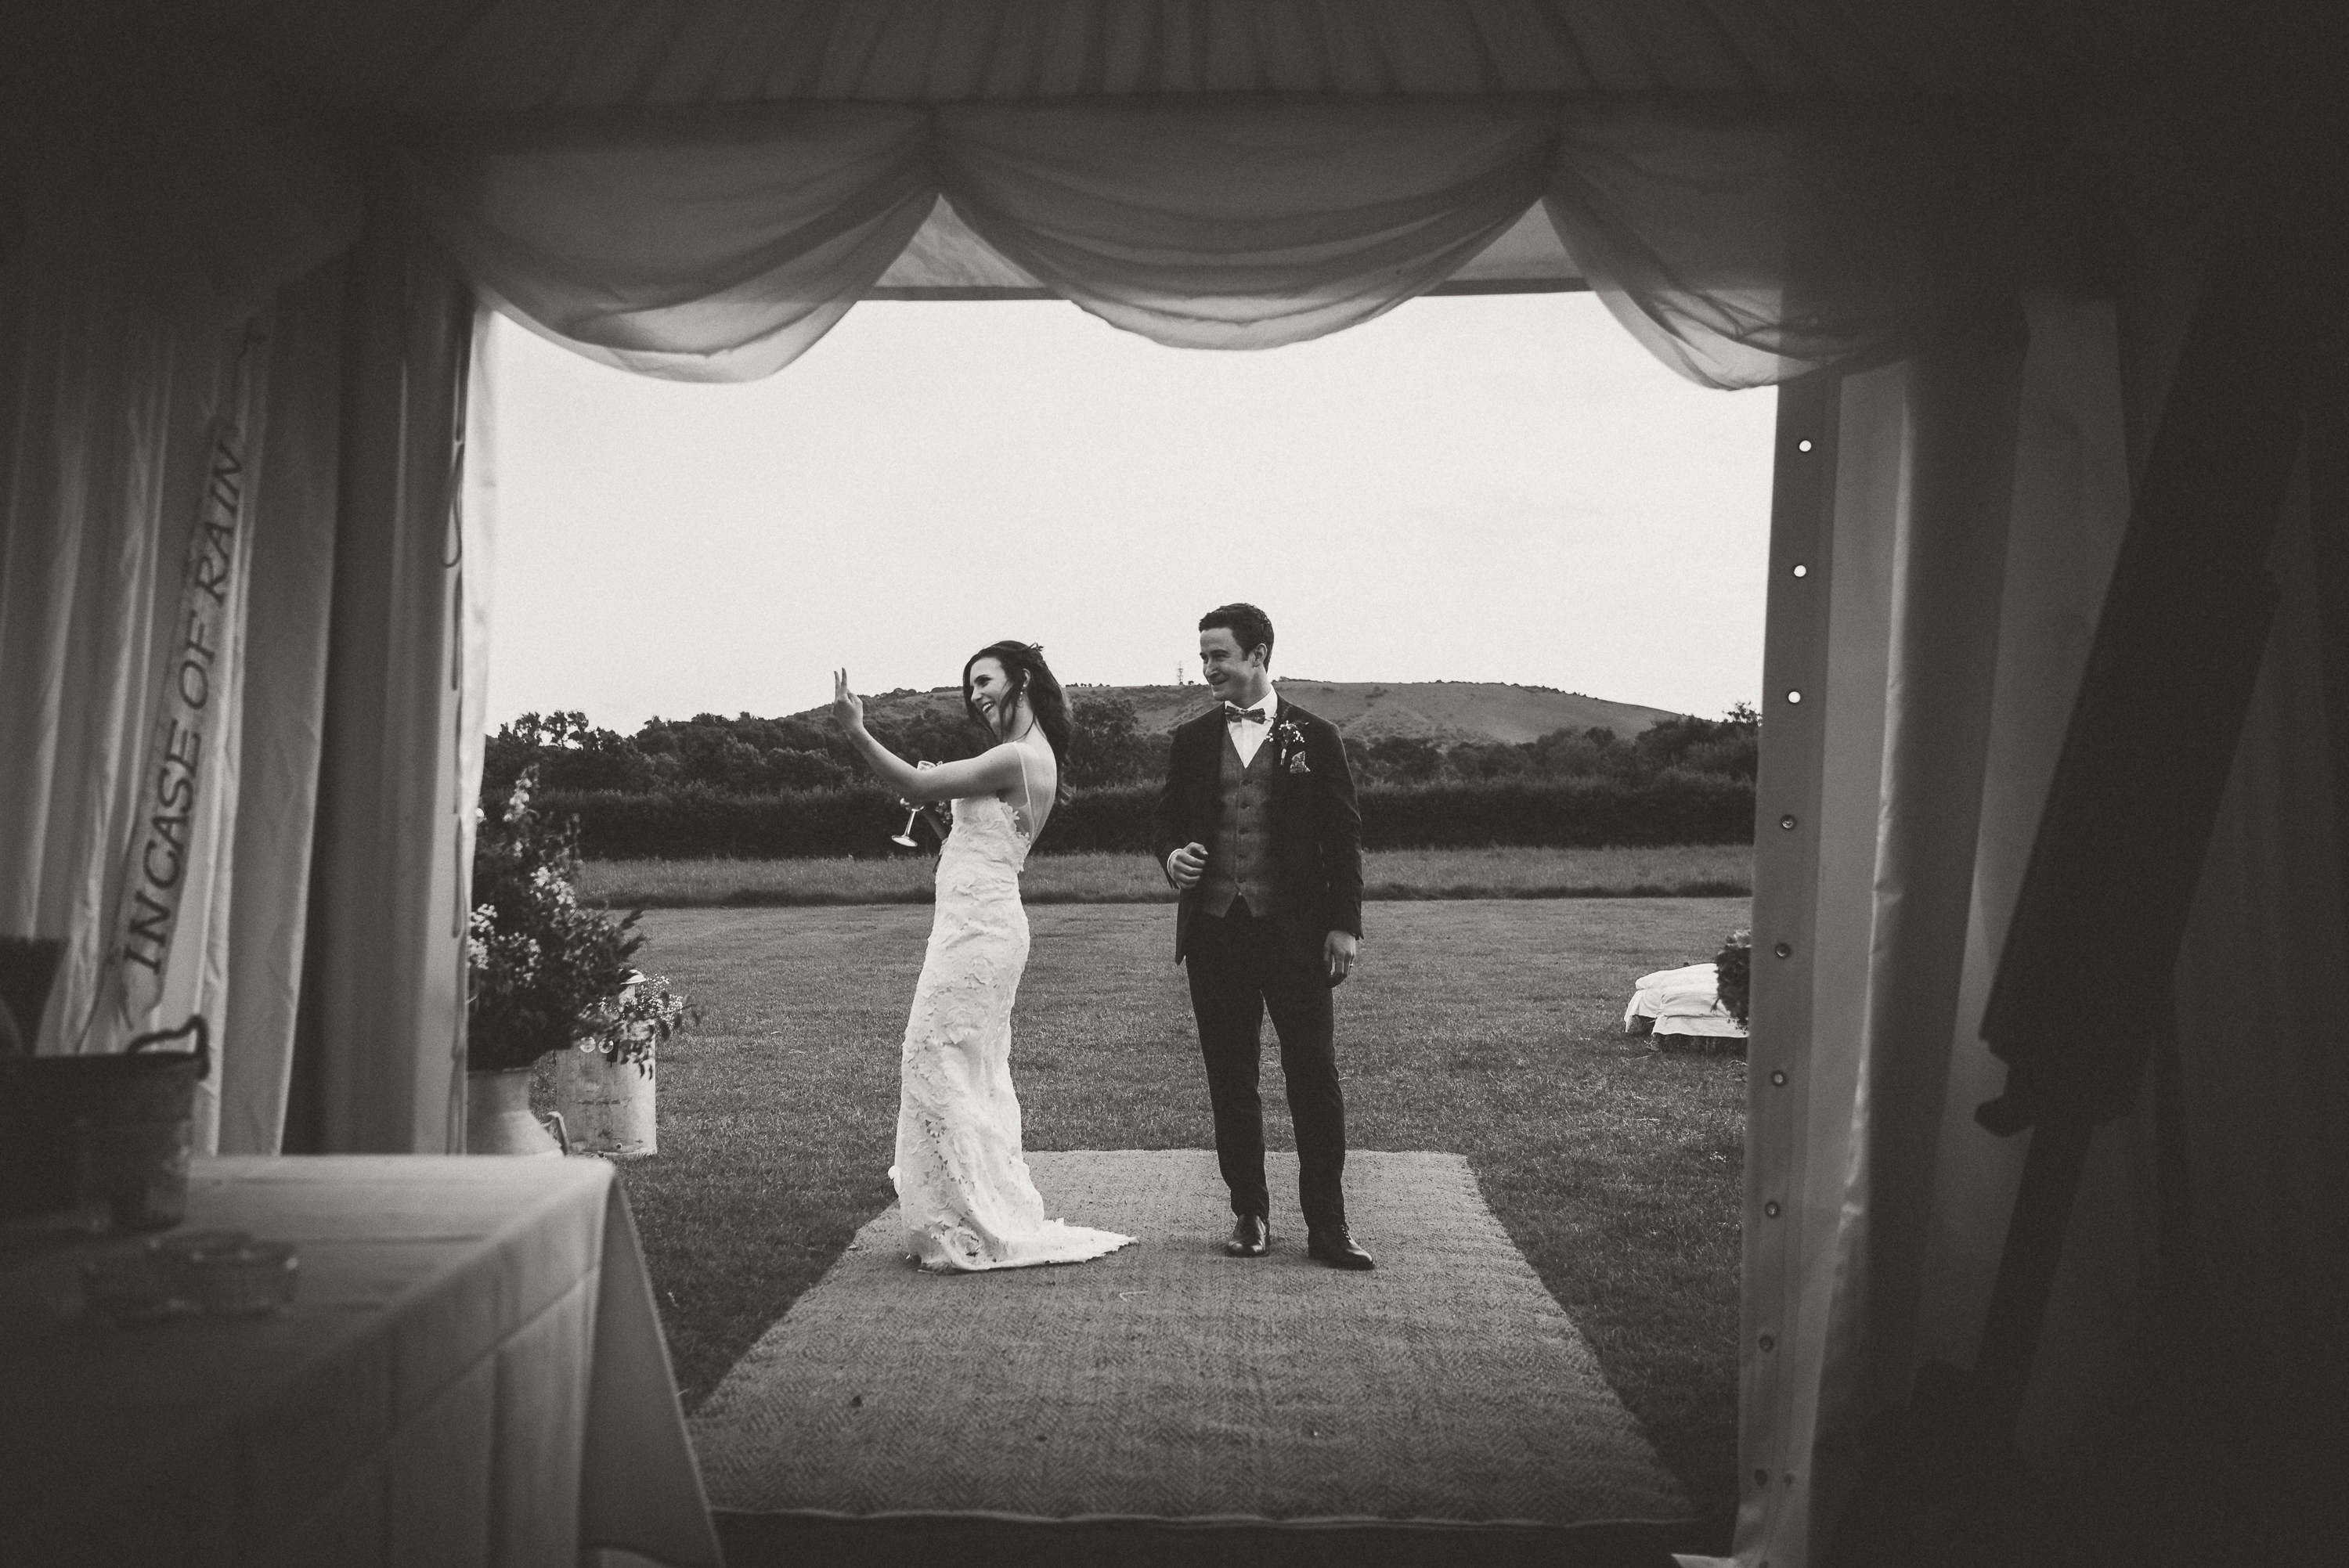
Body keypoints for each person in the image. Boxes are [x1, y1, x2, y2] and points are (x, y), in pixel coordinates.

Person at [832, 642, 1133, 1273]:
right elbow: (976, 839)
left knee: (932, 1051)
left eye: (985, 681)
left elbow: (912, 781)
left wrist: (857, 731)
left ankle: (964, 1215)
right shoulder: (1030, 756)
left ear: (1021, 679)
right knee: (966, 1064)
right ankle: (963, 1207)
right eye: (970, 687)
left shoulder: (1019, 754)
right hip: (976, 921)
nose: (976, 695)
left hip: (980, 929)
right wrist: (947, 818)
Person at [1150, 604, 1372, 1270]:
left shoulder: (1317, 735)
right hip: (1216, 932)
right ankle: (1249, 1212)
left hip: (1297, 934)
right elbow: (1163, 822)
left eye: (1219, 654)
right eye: (1204, 655)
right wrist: (1171, 859)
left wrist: (1345, 924)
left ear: (1259, 654)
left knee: (1313, 1074)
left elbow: (1344, 836)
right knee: (1231, 1075)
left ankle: (1328, 1225)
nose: (1207, 667)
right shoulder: (1191, 740)